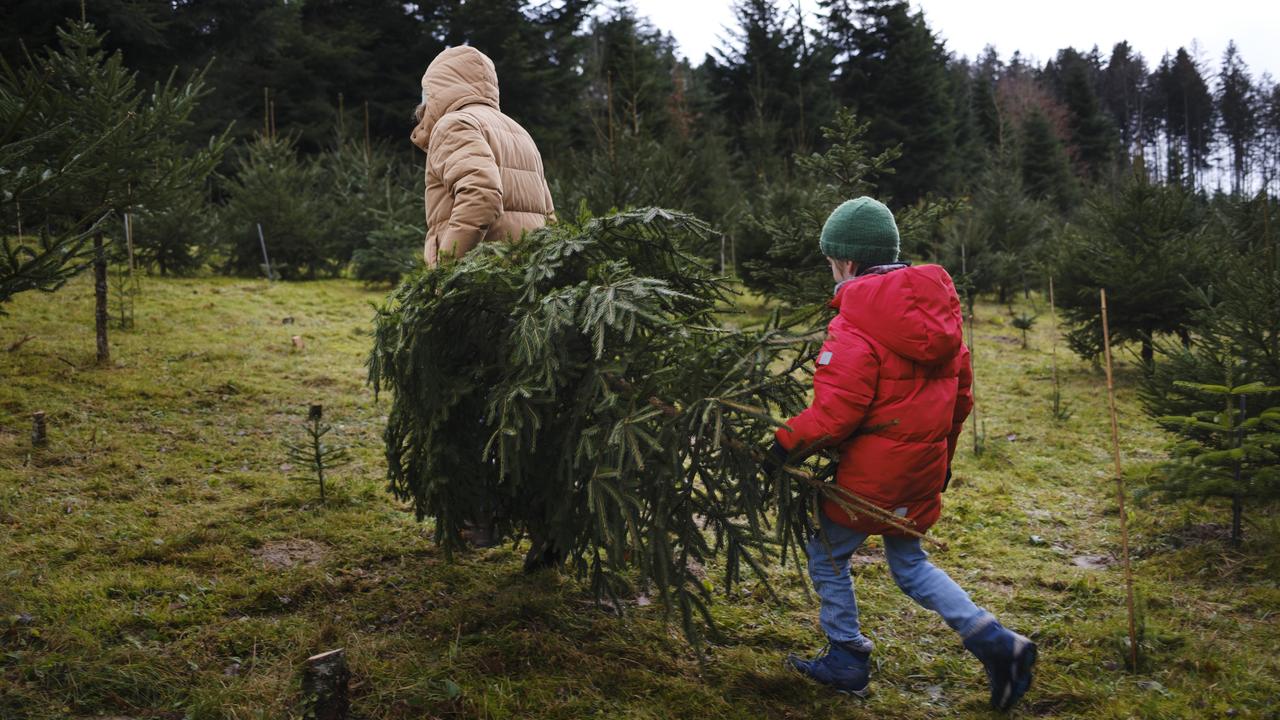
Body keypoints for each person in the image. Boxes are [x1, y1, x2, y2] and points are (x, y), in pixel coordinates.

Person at [766, 197, 1037, 711]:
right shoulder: (942, 315)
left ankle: (846, 657)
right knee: (910, 564)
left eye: (831, 263)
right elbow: (961, 403)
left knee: (826, 554)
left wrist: (783, 447)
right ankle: (999, 645)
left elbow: (835, 415)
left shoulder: (856, 322)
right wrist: (944, 464)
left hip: (870, 478)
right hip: (922, 470)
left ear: (847, 262)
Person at [410, 45, 555, 267]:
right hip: (527, 277)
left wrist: (448, 271)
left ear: (436, 90)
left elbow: (480, 195)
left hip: (481, 278)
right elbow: (549, 215)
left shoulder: (455, 124)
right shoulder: (520, 133)